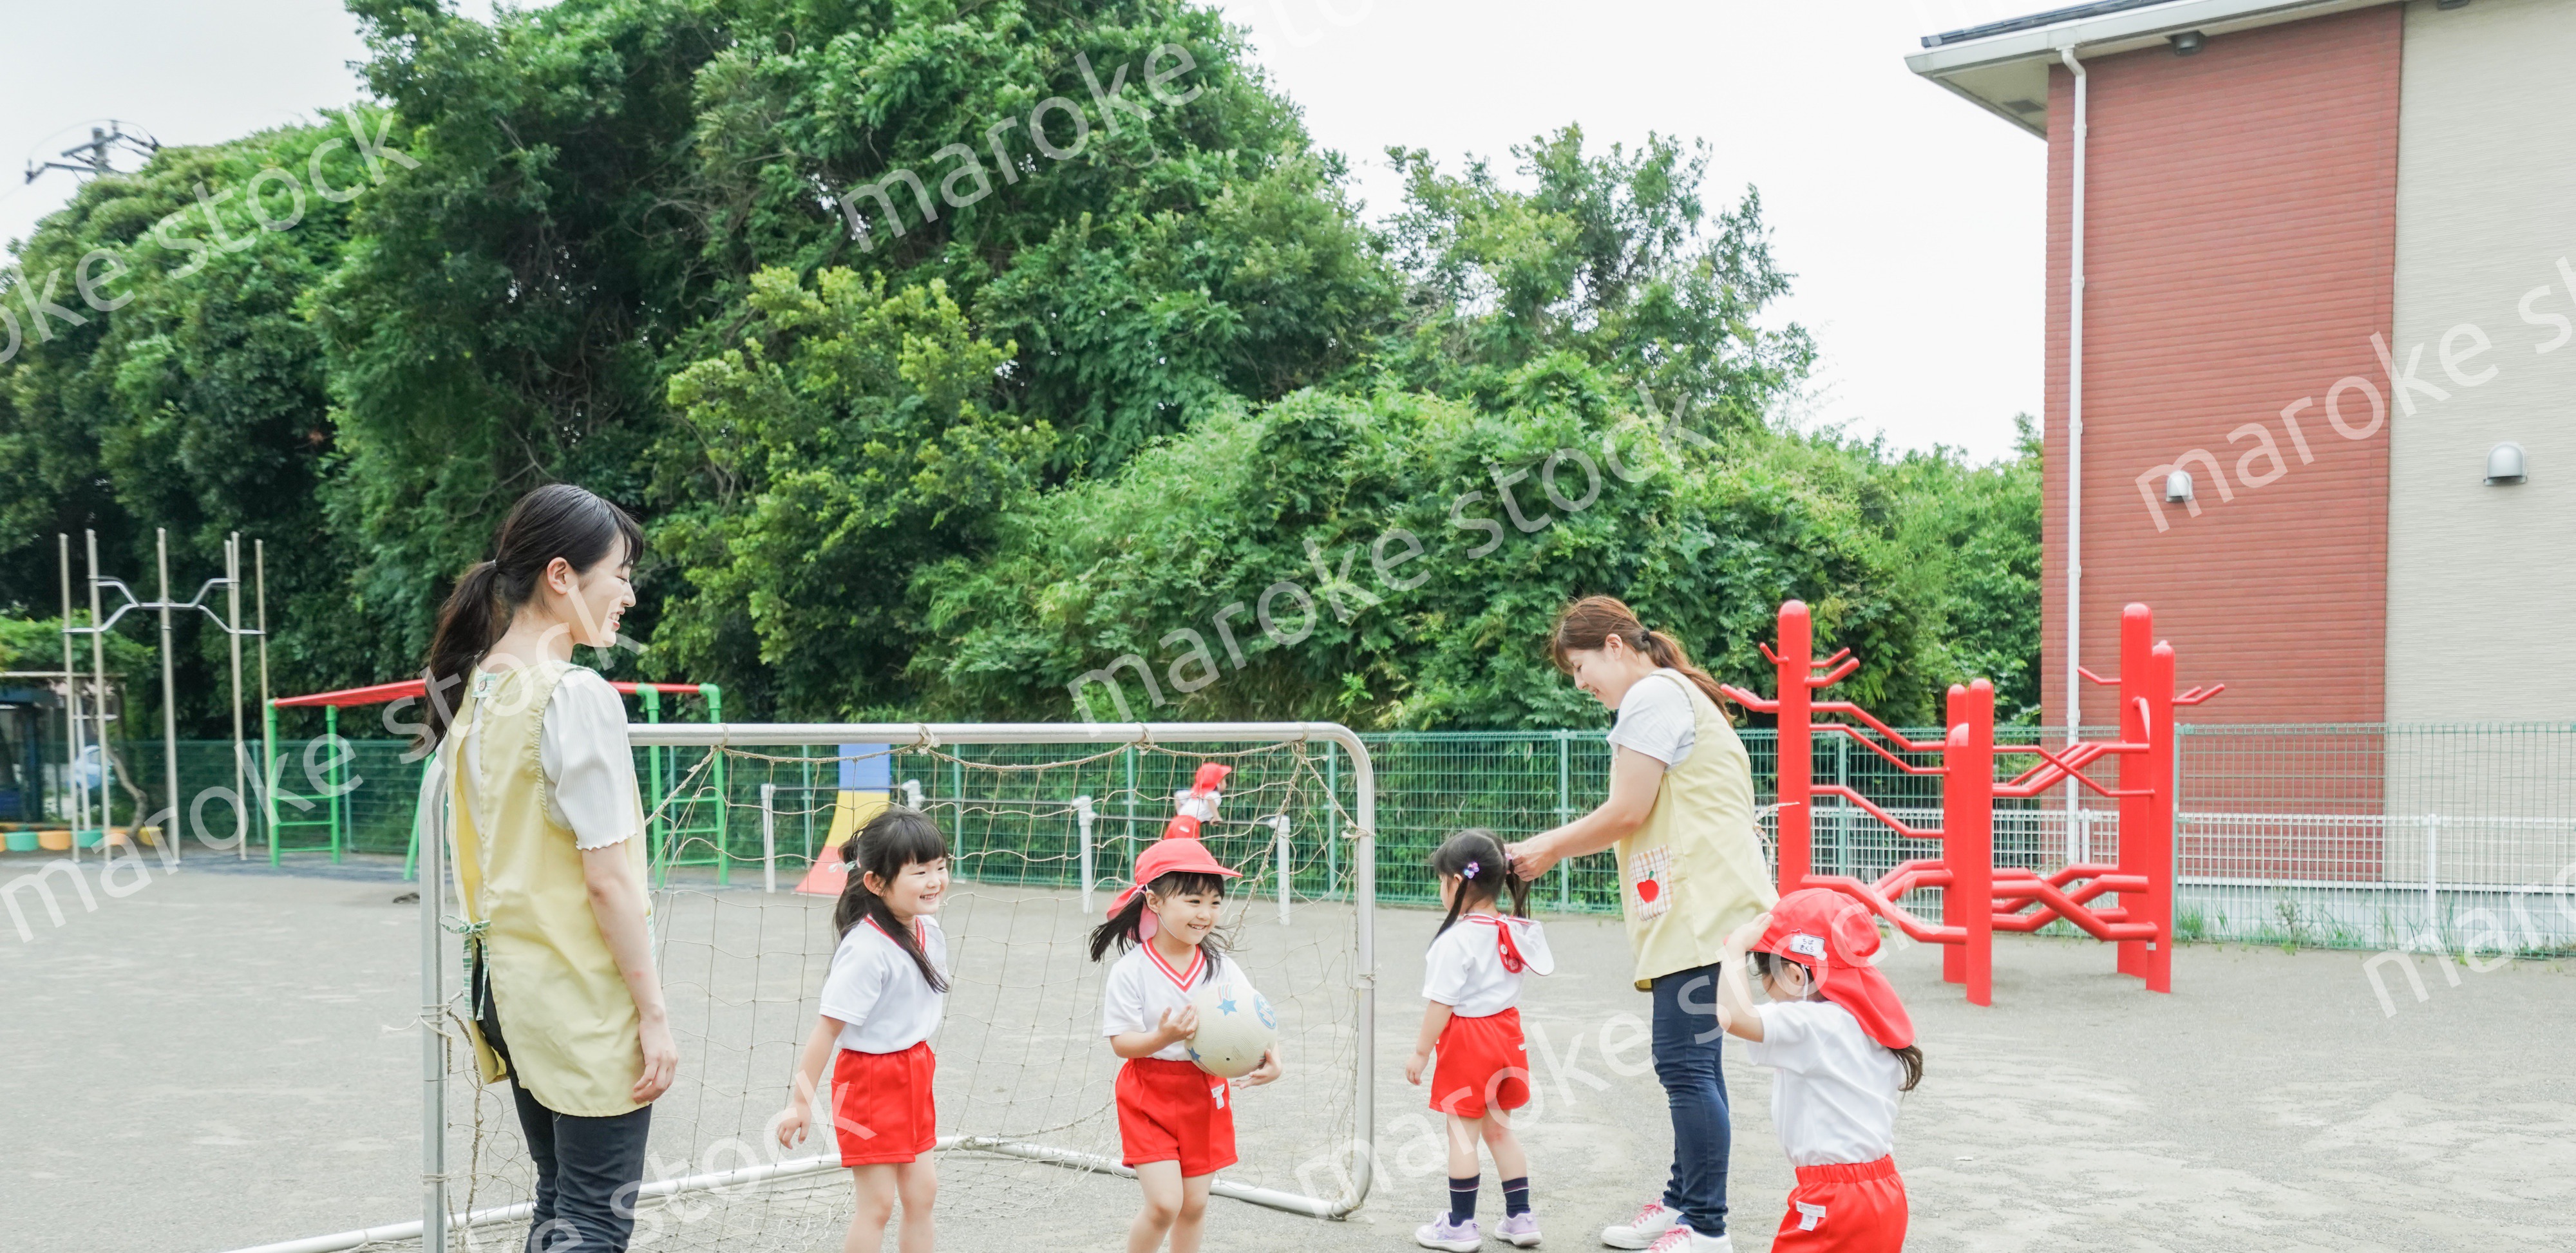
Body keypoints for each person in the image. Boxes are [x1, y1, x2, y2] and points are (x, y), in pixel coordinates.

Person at [419, 483, 675, 1253]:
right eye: (620, 573)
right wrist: (654, 1012)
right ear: (562, 576)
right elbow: (607, 878)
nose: (628, 593)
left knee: (561, 1200)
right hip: (576, 992)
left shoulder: (480, 683)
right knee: (595, 1216)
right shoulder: (576, 695)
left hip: (506, 989)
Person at [1504, 596, 1777, 1253]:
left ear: (1616, 647)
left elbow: (1628, 808)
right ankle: (1686, 1202)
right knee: (1693, 1064)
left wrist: (1546, 846)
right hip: (1706, 911)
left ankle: (1706, 1225)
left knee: (1686, 1066)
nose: (1580, 683)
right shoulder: (1674, 693)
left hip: (1703, 912)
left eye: (1579, 666)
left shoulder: (1652, 696)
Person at [1090, 764, 1283, 1253]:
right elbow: (1121, 1044)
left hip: (1205, 1092)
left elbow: (1253, 1015)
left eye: (1214, 902)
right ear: (1153, 902)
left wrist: (1270, 1054)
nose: (1206, 914)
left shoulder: (1220, 967)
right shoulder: (1132, 971)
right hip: (1149, 1092)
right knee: (1164, 1205)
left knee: (1195, 1205)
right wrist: (1163, 1037)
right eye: (1193, 900)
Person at [776, 806, 951, 1253]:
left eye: (940, 867)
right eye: (920, 871)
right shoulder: (866, 949)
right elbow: (826, 1031)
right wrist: (800, 1102)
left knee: (922, 1193)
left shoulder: (929, 928)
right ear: (875, 882)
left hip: (914, 1069)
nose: (935, 880)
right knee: (877, 1205)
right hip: (869, 1081)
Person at [1714, 889, 1921, 1252]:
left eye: (1765, 976)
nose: (1766, 990)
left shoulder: (1812, 1023)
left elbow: (1733, 1016)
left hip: (1835, 1198)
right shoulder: (1865, 1021)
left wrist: (1732, 950)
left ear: (1795, 975)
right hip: (1884, 1191)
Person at [1406, 829, 1553, 1252]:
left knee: (1461, 1135)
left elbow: (1441, 1004)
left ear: (1457, 882)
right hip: (1508, 1036)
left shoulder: (1455, 940)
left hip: (1468, 1041)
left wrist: (1420, 1052)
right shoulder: (1510, 929)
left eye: (1441, 882)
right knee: (1501, 1132)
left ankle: (1460, 1225)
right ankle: (1521, 1217)